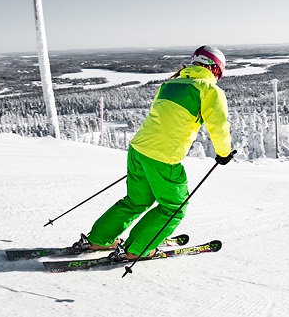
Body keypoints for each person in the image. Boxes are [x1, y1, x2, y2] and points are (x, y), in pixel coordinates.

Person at [73, 46, 233, 260]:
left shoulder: (170, 83)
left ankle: (98, 239)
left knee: (136, 200)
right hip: (163, 157)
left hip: (138, 149)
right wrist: (224, 153)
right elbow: (219, 125)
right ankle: (136, 250)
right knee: (174, 207)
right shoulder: (209, 90)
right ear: (216, 70)